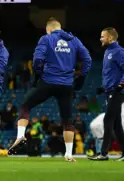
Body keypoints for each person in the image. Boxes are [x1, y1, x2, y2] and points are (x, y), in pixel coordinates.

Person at [8, 17, 91, 162]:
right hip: (67, 85)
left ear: (49, 29)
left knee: (25, 106)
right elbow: (87, 60)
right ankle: (69, 154)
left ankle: (21, 135)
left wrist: (37, 76)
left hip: (48, 81)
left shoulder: (46, 39)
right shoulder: (75, 40)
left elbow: (37, 60)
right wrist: (81, 78)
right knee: (67, 120)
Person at [89, 27, 124, 161]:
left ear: (111, 38)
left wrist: (122, 84)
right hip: (110, 90)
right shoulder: (108, 52)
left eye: (103, 36)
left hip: (117, 91)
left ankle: (103, 153)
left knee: (107, 119)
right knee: (116, 123)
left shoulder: (119, 52)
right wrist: (104, 88)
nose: (100, 39)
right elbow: (111, 74)